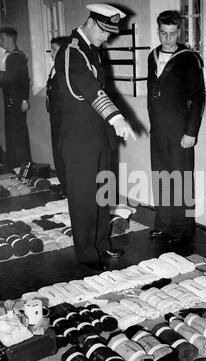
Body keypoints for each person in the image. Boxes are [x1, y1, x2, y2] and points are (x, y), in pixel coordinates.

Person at [54, 4, 136, 271]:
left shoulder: (90, 49)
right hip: (79, 140)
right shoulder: (72, 50)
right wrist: (115, 117)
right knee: (83, 197)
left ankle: (101, 242)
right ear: (90, 22)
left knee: (102, 192)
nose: (106, 38)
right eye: (103, 31)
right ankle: (87, 252)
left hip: (97, 137)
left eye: (110, 33)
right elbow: (88, 88)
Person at [147, 10, 206, 245]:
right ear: (159, 31)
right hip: (158, 130)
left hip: (181, 130)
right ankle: (163, 224)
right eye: (163, 33)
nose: (168, 39)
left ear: (179, 32)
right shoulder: (152, 56)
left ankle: (181, 229)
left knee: (180, 179)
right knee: (161, 176)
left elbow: (198, 97)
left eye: (172, 34)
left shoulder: (188, 58)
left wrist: (191, 132)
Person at [0, 27, 31, 171]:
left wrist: (24, 100)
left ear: (9, 38)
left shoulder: (15, 57)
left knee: (17, 135)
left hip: (16, 101)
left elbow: (22, 80)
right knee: (13, 135)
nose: (0, 42)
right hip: (11, 101)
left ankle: (21, 167)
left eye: (2, 39)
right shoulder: (10, 55)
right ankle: (16, 166)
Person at [46, 36, 68, 198]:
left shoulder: (66, 72)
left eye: (54, 50)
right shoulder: (54, 70)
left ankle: (70, 189)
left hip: (65, 122)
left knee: (65, 155)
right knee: (57, 154)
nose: (51, 53)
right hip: (55, 120)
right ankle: (64, 185)